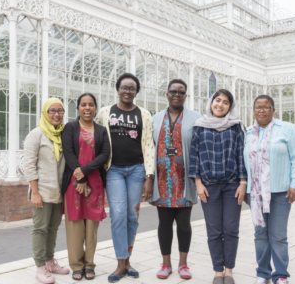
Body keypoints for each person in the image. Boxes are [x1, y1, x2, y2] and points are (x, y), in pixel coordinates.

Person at [94, 73, 155, 283]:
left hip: (137, 170)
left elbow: (148, 145)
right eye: (124, 87)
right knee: (118, 214)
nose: (127, 91)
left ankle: (128, 260)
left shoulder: (144, 114)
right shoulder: (105, 112)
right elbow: (94, 136)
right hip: (114, 170)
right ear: (117, 89)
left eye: (132, 88)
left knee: (132, 215)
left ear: (136, 92)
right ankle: (120, 263)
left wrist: (149, 176)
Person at [245, 95, 295, 284]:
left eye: (266, 107)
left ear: (273, 109)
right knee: (260, 234)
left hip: (280, 192)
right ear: (253, 110)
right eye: (258, 107)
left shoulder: (287, 129)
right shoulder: (247, 132)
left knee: (278, 235)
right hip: (255, 194)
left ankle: (280, 275)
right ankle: (263, 274)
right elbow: (244, 161)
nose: (261, 110)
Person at [189, 89, 247, 284]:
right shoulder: (199, 126)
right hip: (209, 187)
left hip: (232, 186)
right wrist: (198, 183)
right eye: (217, 100)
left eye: (225, 103)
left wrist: (242, 183)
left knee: (231, 229)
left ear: (230, 107)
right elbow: (193, 156)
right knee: (214, 231)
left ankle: (229, 270)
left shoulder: (237, 127)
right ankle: (217, 271)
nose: (220, 105)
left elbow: (241, 156)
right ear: (211, 102)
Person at [149, 79, 202, 280]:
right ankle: (166, 263)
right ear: (167, 94)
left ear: (185, 95)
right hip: (162, 180)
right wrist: (149, 178)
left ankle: (183, 264)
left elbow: (198, 148)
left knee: (184, 224)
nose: (177, 95)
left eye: (181, 92)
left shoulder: (196, 118)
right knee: (164, 223)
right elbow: (149, 147)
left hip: (184, 180)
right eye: (173, 91)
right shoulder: (155, 119)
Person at [61, 93, 110, 281]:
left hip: (95, 183)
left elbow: (104, 154)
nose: (87, 108)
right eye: (83, 104)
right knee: (74, 226)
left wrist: (85, 171)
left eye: (90, 104)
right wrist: (79, 177)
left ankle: (89, 265)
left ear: (95, 108)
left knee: (91, 228)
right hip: (74, 184)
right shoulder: (70, 128)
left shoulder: (101, 130)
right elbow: (69, 152)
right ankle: (76, 266)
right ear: (78, 108)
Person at [23, 98, 71, 284]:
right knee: (40, 229)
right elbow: (29, 166)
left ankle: (50, 261)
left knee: (53, 228)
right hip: (41, 191)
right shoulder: (36, 135)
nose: (56, 114)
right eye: (52, 110)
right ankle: (40, 266)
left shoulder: (63, 134)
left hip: (58, 192)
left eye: (60, 110)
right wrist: (35, 193)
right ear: (45, 112)